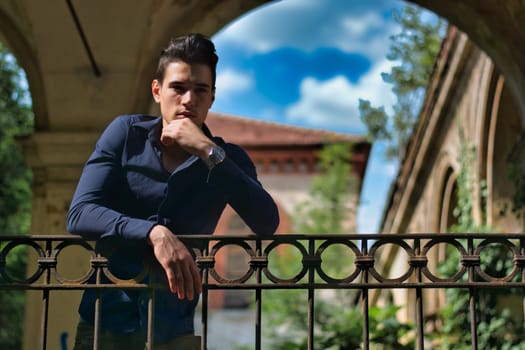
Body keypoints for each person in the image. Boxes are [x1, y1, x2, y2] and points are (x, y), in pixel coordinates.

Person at [66, 33, 279, 349]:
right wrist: (154, 233)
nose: (189, 100)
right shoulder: (125, 135)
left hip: (174, 331)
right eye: (178, 88)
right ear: (157, 91)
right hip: (105, 323)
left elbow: (266, 222)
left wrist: (208, 151)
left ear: (212, 98)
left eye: (200, 90)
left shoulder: (227, 159)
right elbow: (80, 213)